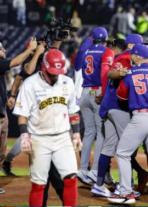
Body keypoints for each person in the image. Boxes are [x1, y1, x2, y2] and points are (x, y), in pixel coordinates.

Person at [12, 49, 82, 206]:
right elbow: (22, 115)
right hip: (39, 139)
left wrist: (76, 134)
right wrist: (25, 136)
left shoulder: (67, 82)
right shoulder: (30, 84)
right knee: (39, 184)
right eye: (53, 72)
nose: (56, 75)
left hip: (63, 137)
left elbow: (73, 112)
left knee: (71, 179)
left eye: (58, 72)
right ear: (44, 67)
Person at [108, 43, 148, 206]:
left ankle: (125, 193)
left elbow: (121, 97)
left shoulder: (130, 73)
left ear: (137, 56)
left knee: (122, 152)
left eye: (132, 55)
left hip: (140, 116)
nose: (130, 57)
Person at [90, 39, 128, 197]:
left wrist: (103, 95)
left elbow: (108, 74)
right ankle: (125, 186)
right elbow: (110, 74)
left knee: (108, 147)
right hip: (118, 107)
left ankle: (99, 184)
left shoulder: (115, 58)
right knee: (126, 148)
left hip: (107, 107)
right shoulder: (124, 58)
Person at [77, 27, 115, 185]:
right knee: (101, 133)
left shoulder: (86, 51)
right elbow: (105, 74)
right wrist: (104, 93)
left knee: (88, 133)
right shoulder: (107, 51)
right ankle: (95, 171)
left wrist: (87, 43)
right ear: (106, 39)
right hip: (97, 91)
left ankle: (82, 169)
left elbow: (76, 67)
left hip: (84, 93)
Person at [0, 38, 37, 194]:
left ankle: (6, 162)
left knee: (1, 151)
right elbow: (18, 67)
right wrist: (31, 50)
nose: (4, 50)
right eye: (1, 48)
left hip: (2, 113)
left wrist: (10, 97)